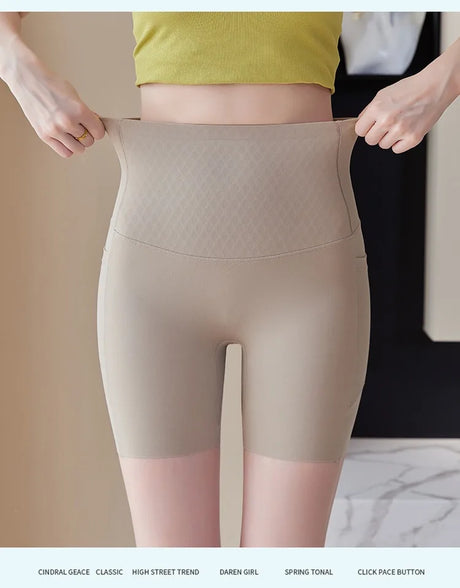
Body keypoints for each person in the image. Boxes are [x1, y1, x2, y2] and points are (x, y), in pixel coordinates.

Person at [0, 12, 458, 549]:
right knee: (174, 571)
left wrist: (443, 79)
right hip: (155, 271)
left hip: (307, 270)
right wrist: (18, 66)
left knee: (283, 569)